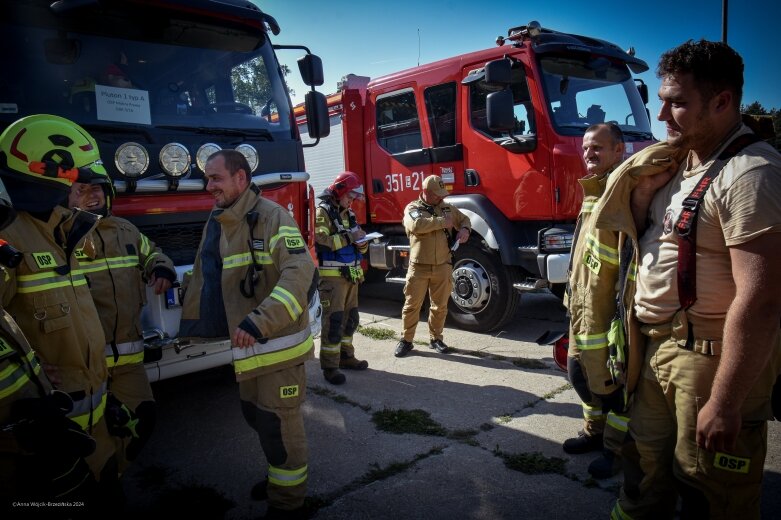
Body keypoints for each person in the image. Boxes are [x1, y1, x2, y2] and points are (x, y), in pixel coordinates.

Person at [596, 40, 781, 519]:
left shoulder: (751, 175)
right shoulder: (681, 163)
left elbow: (762, 300)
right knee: (643, 476)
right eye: (660, 100)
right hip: (657, 353)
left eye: (677, 102)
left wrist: (724, 402)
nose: (661, 116)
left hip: (708, 363)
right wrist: (638, 201)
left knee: (710, 494)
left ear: (722, 102)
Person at [178, 149, 315, 519]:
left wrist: (260, 320)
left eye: (216, 178)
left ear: (241, 178)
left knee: (279, 426)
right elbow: (213, 277)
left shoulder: (273, 217)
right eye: (207, 178)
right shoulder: (223, 222)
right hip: (250, 350)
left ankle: (289, 504)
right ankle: (278, 480)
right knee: (256, 417)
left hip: (279, 349)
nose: (209, 186)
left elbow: (300, 272)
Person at [0, 114, 122, 510]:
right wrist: (27, 396)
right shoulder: (9, 241)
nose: (82, 194)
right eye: (75, 184)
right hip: (40, 454)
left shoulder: (64, 235)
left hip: (93, 438)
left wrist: (108, 403)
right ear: (43, 178)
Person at [68, 172, 175, 475]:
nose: (92, 195)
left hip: (128, 362)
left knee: (141, 419)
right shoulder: (60, 235)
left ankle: (114, 476)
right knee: (90, 441)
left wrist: (162, 268)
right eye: (82, 190)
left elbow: (152, 252)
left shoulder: (126, 230)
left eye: (97, 189)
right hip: (84, 366)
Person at [563, 123, 629, 479]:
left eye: (598, 148)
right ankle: (594, 431)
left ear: (619, 150)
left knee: (614, 385)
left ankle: (615, 450)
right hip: (581, 306)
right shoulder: (594, 190)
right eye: (586, 148)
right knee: (579, 374)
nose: (589, 153)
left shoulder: (625, 189)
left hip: (608, 311)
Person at [394, 175, 470, 357]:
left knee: (440, 306)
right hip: (419, 267)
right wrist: (442, 222)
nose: (441, 198)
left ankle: (436, 339)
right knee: (412, 305)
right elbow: (416, 225)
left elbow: (465, 219)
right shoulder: (413, 208)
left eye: (442, 194)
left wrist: (465, 229)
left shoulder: (446, 207)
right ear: (426, 192)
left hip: (442, 265)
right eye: (437, 194)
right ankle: (406, 340)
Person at [314, 171, 369, 385]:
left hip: (352, 276)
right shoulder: (323, 212)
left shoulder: (349, 214)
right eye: (350, 196)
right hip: (332, 279)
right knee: (334, 321)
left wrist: (363, 242)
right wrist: (350, 237)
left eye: (354, 197)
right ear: (340, 191)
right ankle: (330, 366)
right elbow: (321, 240)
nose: (352, 200)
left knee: (351, 319)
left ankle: (346, 357)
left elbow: (358, 246)